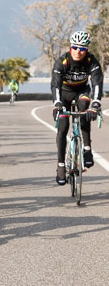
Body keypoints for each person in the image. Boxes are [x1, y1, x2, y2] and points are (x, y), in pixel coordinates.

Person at [51, 30, 103, 185]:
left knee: (84, 109)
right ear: (70, 47)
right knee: (63, 126)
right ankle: (61, 166)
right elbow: (55, 85)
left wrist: (96, 104)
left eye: (82, 48)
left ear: (87, 50)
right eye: (75, 47)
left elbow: (97, 83)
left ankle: (87, 149)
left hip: (82, 92)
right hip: (64, 94)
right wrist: (57, 103)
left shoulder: (91, 62)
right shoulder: (62, 61)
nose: (78, 51)